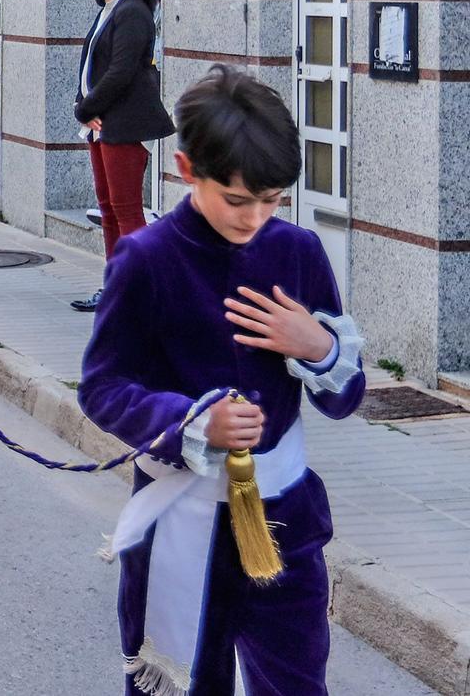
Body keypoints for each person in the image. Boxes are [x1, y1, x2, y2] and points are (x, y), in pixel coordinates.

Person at [80, 66, 365, 696]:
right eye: (237, 200)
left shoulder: (298, 252)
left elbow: (346, 397)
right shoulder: (146, 259)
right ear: (186, 170)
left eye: (273, 200)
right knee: (178, 684)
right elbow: (101, 386)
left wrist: (318, 348)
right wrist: (190, 421)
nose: (255, 217)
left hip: (284, 522)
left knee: (294, 684)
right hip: (181, 519)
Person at [71, 0, 176, 313]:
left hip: (120, 123)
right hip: (100, 125)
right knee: (108, 208)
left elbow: (122, 70)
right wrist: (82, 110)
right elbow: (92, 65)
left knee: (127, 210)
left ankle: (140, 293)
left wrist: (87, 108)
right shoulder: (111, 10)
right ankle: (116, 287)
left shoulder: (131, 12)